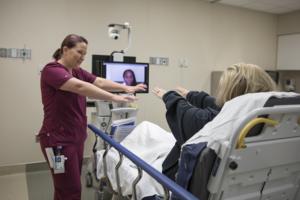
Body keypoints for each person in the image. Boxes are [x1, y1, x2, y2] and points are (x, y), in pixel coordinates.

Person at [38, 34, 146, 200]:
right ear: (65, 50)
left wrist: (126, 88)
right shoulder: (51, 70)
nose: (82, 57)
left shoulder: (77, 71)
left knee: (67, 187)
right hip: (58, 141)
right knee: (70, 189)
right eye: (79, 52)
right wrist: (115, 98)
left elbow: (100, 82)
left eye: (85, 54)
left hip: (75, 137)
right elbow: (80, 87)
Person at [152, 63, 277, 181]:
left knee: (146, 129)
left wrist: (168, 96)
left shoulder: (219, 123)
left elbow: (189, 117)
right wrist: (190, 95)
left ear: (231, 91)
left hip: (177, 179)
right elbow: (221, 105)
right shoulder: (267, 117)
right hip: (251, 179)